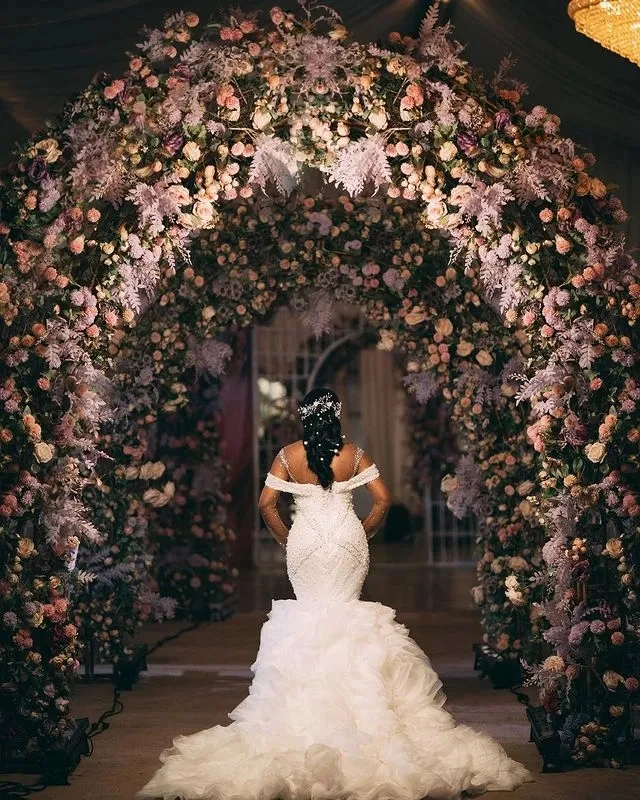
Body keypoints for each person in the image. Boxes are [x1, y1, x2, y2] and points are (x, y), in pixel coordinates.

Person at [137, 388, 533, 800]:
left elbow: (266, 504)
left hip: (306, 540)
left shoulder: (288, 455)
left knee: (311, 614)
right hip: (346, 538)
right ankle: (361, 711)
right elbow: (383, 500)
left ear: (304, 416)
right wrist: (365, 530)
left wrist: (287, 538)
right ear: (337, 415)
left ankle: (304, 713)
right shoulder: (354, 453)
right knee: (346, 612)